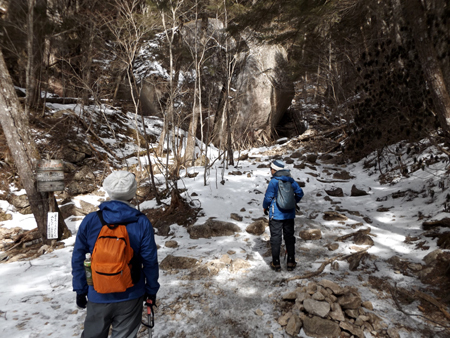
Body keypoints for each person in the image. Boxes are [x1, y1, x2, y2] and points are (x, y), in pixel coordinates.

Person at [72, 171, 159, 338]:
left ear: (108, 191)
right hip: (131, 293)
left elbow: (78, 257)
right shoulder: (141, 222)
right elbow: (150, 261)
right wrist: (152, 289)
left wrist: (80, 289)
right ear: (132, 193)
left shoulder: (91, 220)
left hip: (97, 291)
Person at [263, 160, 304, 272]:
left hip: (276, 215)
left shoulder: (274, 182)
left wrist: (264, 207)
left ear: (274, 170)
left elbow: (268, 198)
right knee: (289, 237)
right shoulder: (291, 180)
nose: (270, 171)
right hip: (289, 215)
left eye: (270, 169)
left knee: (276, 238)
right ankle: (291, 262)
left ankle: (276, 263)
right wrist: (293, 202)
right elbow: (300, 193)